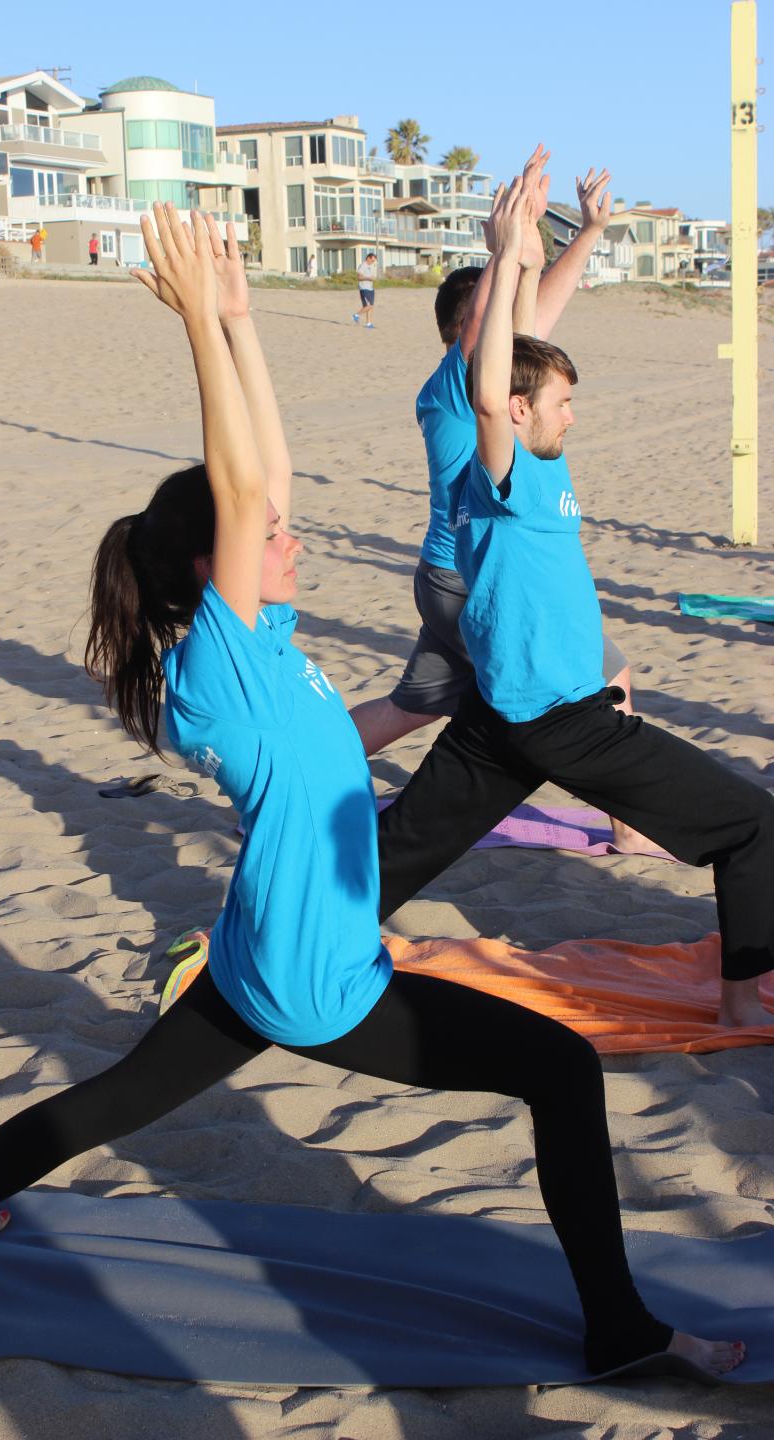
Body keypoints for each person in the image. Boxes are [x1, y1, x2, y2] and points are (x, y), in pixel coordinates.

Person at [0, 201, 744, 1381]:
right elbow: (246, 486)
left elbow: (264, 473)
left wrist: (242, 325)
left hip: (256, 947)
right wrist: (196, 327)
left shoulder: (258, 643)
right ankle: (623, 1330)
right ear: (211, 565)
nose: (290, 536)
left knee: (117, 1100)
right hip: (314, 975)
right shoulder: (223, 655)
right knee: (562, 1072)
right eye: (266, 537)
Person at [376, 174, 774, 1031]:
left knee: (403, 841)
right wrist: (504, 253)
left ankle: (284, 923)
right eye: (562, 402)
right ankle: (741, 1002)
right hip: (542, 691)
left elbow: (522, 348)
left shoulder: (542, 457)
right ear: (513, 403)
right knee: (754, 828)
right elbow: (493, 377)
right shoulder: (485, 434)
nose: (574, 414)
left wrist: (571, 238)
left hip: (513, 707)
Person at [350, 148, 654, 854]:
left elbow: (541, 307)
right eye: (490, 323)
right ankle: (632, 830)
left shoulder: (483, 379)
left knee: (412, 705)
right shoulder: (460, 386)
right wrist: (506, 250)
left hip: (449, 576)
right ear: (466, 333)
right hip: (473, 582)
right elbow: (495, 313)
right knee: (605, 677)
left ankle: (303, 771)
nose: (512, 326)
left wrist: (585, 233)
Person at [353, 251, 377, 327]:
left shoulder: (372, 266)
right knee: (369, 305)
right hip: (364, 288)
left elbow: (372, 276)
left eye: (374, 261)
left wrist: (372, 278)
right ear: (368, 258)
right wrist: (368, 278)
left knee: (370, 306)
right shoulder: (363, 265)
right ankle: (356, 315)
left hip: (370, 288)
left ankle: (368, 323)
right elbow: (359, 277)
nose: (372, 262)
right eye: (372, 260)